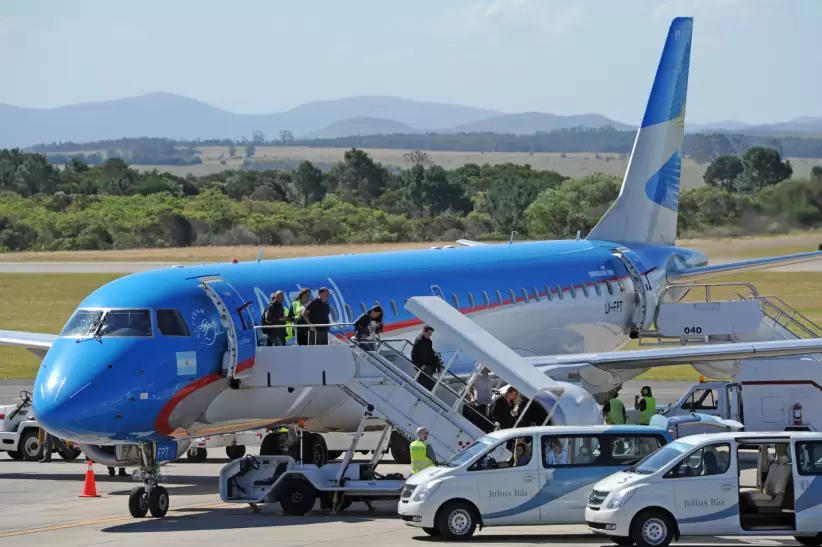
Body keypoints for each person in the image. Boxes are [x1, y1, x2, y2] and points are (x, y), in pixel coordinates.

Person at [411, 325, 441, 391]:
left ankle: (428, 393)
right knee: (425, 381)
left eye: (431, 333)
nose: (430, 335)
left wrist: (435, 354)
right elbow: (415, 354)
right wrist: (420, 365)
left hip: (427, 364)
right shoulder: (419, 340)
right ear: (424, 331)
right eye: (428, 333)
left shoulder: (428, 341)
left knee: (429, 380)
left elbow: (430, 351)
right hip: (422, 365)